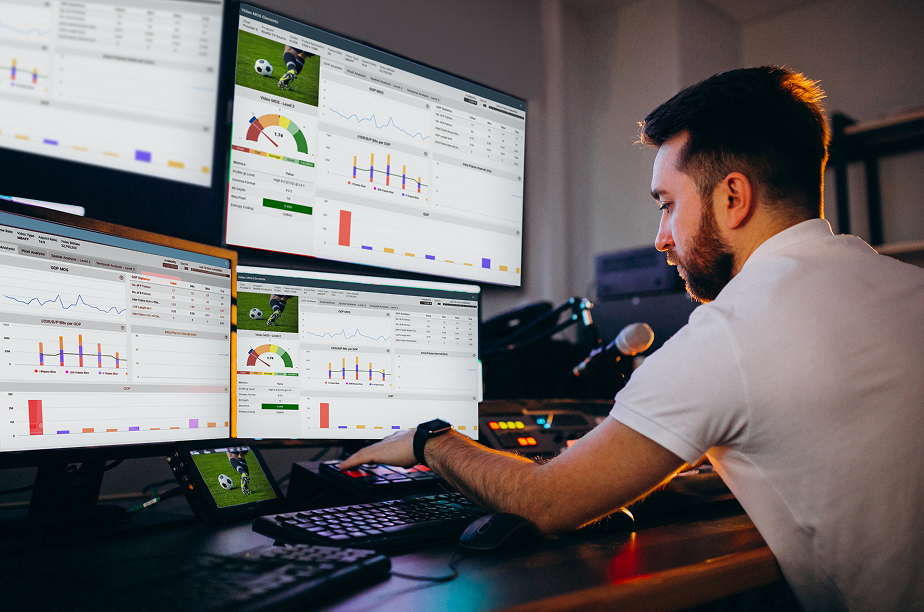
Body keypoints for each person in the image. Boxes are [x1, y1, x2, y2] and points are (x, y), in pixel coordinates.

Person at [339, 66, 924, 611]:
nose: (661, 239)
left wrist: (431, 441)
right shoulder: (907, 285)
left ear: (733, 197)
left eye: (668, 206)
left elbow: (547, 502)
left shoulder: (733, 332)